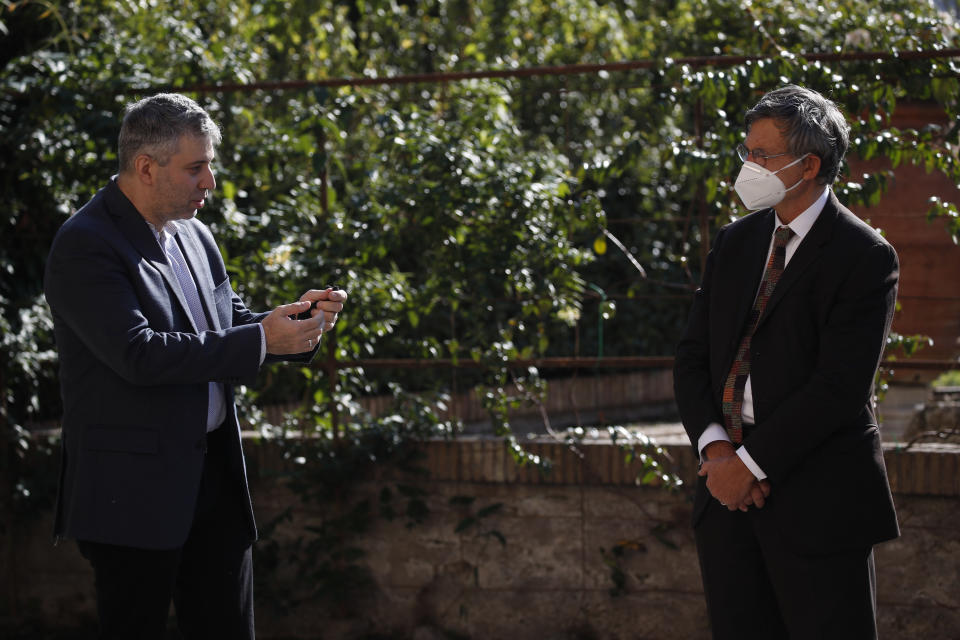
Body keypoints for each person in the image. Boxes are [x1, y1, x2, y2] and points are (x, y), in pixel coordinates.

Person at [44, 93, 346, 639]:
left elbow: (227, 326)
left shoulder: (196, 233)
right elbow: (140, 354)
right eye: (195, 168)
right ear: (144, 167)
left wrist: (296, 328)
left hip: (214, 483)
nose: (210, 181)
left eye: (210, 165)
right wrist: (259, 339)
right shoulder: (84, 245)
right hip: (130, 495)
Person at [673, 85, 900, 639]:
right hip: (726, 497)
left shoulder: (864, 256)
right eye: (746, 152)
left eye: (763, 155)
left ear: (810, 164)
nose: (749, 166)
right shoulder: (734, 243)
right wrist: (720, 451)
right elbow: (693, 357)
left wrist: (748, 466)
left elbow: (838, 388)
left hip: (818, 500)